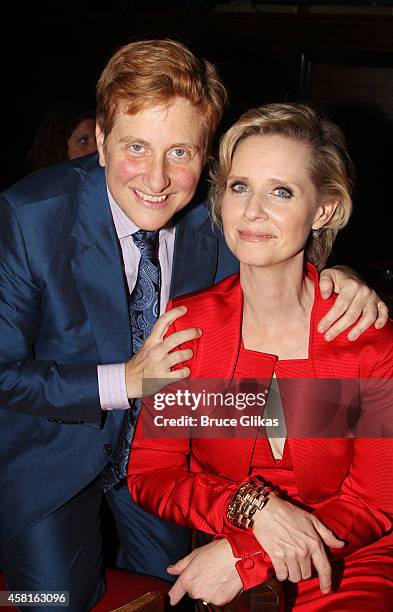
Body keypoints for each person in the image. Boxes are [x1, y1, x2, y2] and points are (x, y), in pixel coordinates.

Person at [0, 39, 387, 611]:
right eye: (136, 147)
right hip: (56, 452)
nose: (158, 179)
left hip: (179, 456)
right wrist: (124, 382)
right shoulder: (30, 218)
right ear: (101, 143)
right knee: (51, 600)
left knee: (172, 595)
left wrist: (340, 274)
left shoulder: (219, 218)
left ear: (206, 158)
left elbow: (280, 248)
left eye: (181, 152)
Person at [127, 103, 393, 610]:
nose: (252, 211)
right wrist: (251, 508)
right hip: (230, 561)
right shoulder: (191, 328)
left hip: (349, 562)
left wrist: (247, 552)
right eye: (239, 186)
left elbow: (373, 504)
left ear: (325, 210)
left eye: (281, 191)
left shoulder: (366, 342)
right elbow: (153, 474)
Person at [21, 100, 97, 173]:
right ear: (59, 147)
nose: (95, 148)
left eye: (97, 140)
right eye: (83, 141)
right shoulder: (38, 184)